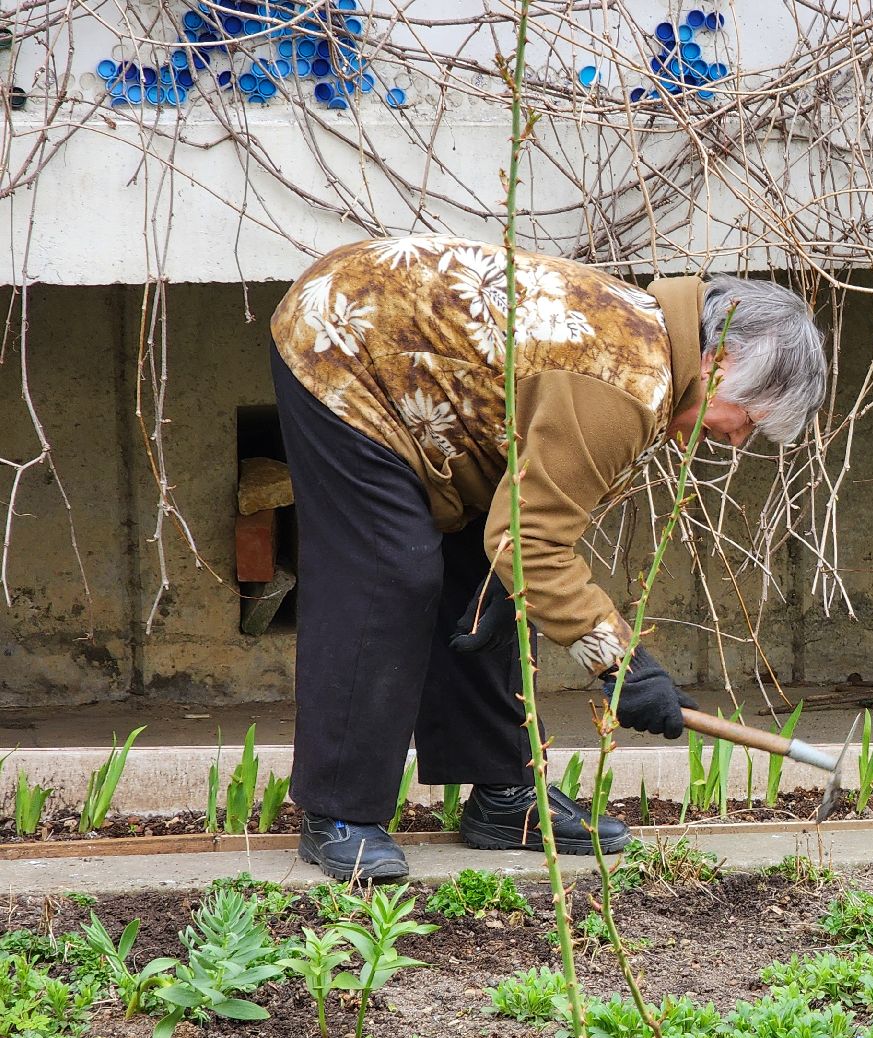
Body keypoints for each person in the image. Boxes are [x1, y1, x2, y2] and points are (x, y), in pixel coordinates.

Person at [267, 234, 828, 882]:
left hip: (420, 388)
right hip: (340, 342)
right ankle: (338, 813)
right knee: (393, 572)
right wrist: (623, 666)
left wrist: (522, 589)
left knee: (487, 589)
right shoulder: (625, 380)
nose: (736, 439)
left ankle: (503, 795)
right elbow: (529, 543)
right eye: (748, 419)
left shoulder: (648, 345)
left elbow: (516, 535)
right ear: (720, 360)